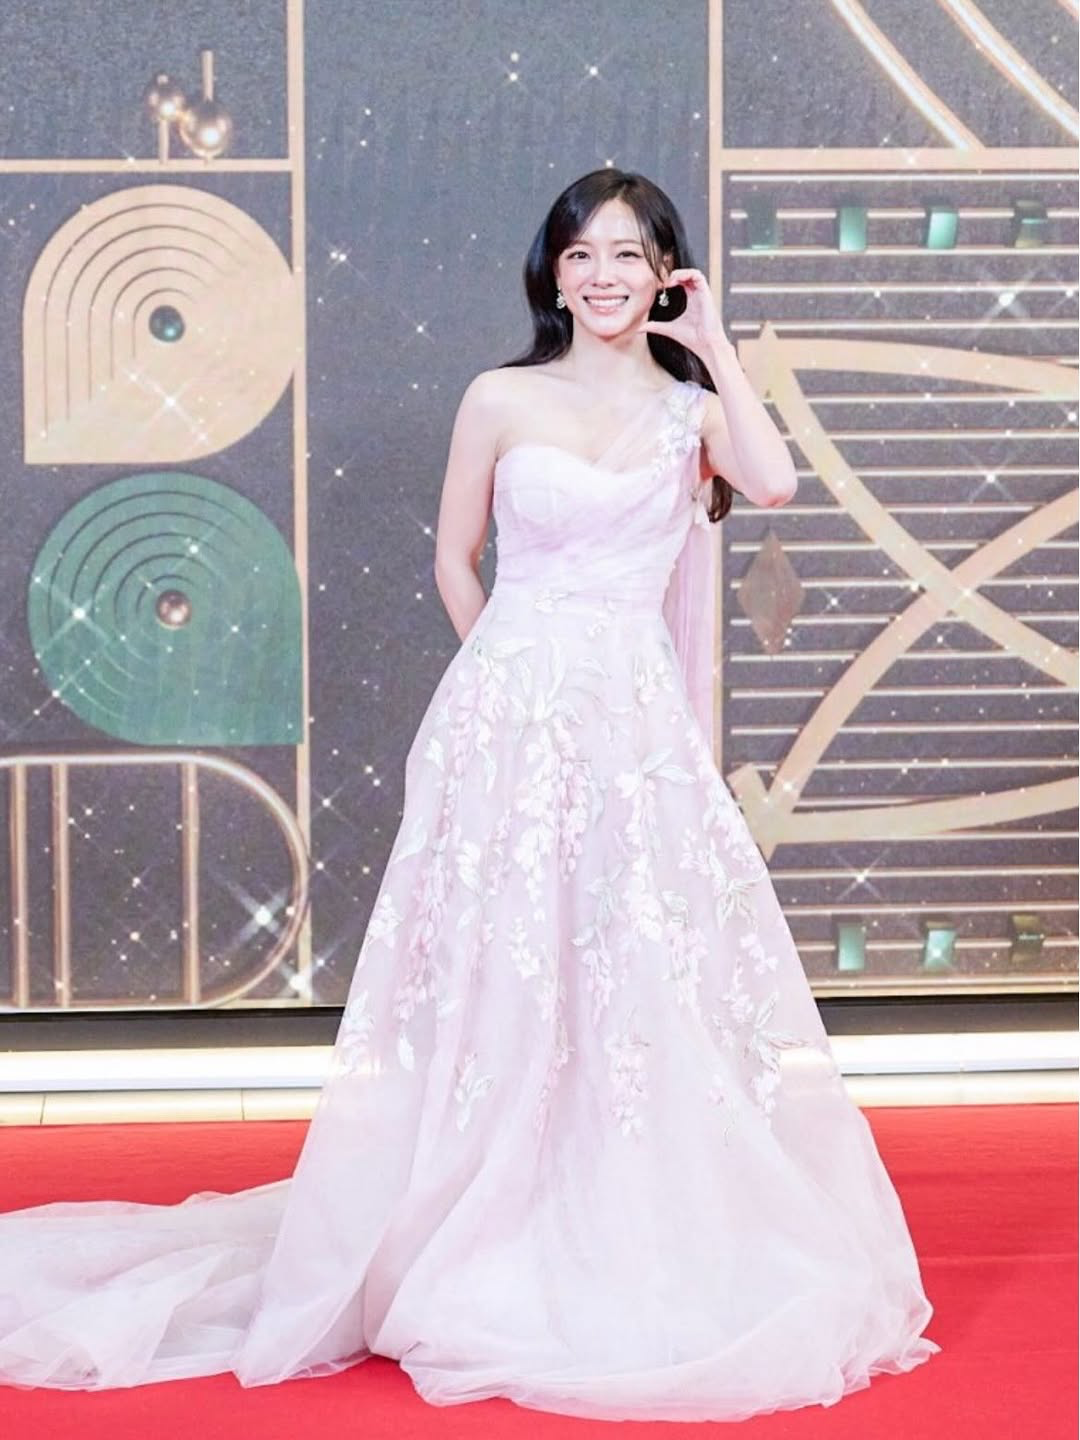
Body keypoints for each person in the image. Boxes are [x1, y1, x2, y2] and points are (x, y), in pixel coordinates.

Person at [0, 169, 940, 1422]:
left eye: (629, 254)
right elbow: (456, 559)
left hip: (634, 731)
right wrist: (503, 684)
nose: (603, 276)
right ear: (552, 271)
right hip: (507, 721)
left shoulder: (691, 415)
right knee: (506, 968)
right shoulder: (500, 397)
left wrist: (716, 346)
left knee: (630, 967)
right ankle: (471, 1209)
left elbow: (772, 485)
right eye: (581, 254)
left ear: (666, 273)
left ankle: (614, 1212)